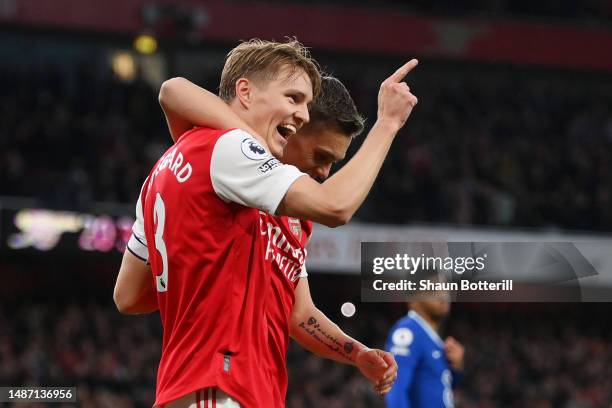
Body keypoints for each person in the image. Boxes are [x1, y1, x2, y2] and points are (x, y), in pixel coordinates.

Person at [114, 38, 418, 407]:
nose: (324, 172)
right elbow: (336, 206)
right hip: (217, 385)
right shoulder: (229, 150)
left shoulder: (188, 175)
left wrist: (354, 353)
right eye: (293, 99)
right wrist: (387, 123)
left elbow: (128, 295)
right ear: (246, 91)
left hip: (236, 391)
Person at [385, 297, 465, 408]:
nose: (442, 295)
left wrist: (456, 369)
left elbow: (435, 388)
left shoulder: (431, 338)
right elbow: (395, 387)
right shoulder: (408, 330)